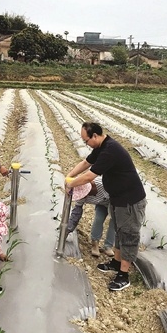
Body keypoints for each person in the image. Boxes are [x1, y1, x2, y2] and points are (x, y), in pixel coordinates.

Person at [65, 121, 146, 291]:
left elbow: (89, 176)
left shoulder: (110, 150)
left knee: (129, 235)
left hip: (130, 201)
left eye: (86, 141)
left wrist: (71, 184)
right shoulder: (100, 148)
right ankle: (116, 263)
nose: (86, 144)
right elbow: (85, 163)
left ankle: (124, 275)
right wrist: (69, 176)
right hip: (117, 199)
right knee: (119, 231)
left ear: (95, 136)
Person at [66, 176, 115, 258]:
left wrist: (112, 213)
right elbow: (76, 213)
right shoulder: (81, 195)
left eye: (87, 194)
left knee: (114, 222)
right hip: (101, 204)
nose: (86, 196)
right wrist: (67, 230)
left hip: (114, 201)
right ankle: (95, 244)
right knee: (99, 219)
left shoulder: (103, 184)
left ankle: (108, 246)